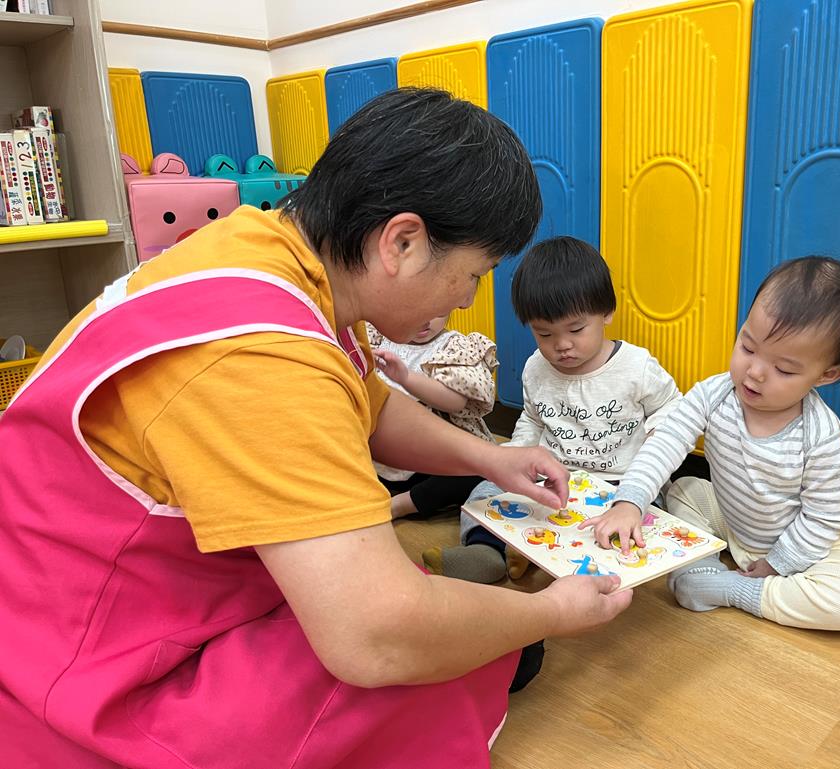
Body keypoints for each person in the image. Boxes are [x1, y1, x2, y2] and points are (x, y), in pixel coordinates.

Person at [0, 89, 633, 769]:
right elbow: (376, 637)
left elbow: (369, 403)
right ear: (402, 242)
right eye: (473, 274)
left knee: (466, 632)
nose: (466, 298)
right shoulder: (261, 355)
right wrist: (554, 610)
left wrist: (488, 457)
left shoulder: (273, 249)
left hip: (129, 589)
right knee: (452, 658)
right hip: (82, 658)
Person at [582, 256, 840, 632]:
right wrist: (629, 502)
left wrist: (778, 564)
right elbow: (666, 441)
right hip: (736, 521)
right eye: (748, 346)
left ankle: (731, 588)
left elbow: (822, 519)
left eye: (783, 369)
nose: (754, 372)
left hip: (810, 544)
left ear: (828, 374)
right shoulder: (715, 393)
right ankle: (702, 570)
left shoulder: (822, 437)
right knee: (684, 490)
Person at [424, 236, 682, 584]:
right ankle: (486, 552)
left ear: (607, 312)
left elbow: (673, 410)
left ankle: (547, 557)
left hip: (621, 484)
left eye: (576, 329)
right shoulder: (536, 368)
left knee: (649, 519)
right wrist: (516, 456)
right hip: (555, 479)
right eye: (544, 334)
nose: (562, 345)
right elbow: (532, 418)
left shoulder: (637, 367)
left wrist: (655, 441)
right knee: (485, 492)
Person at [368, 313, 498, 519]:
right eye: (413, 309)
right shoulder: (379, 338)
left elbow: (456, 401)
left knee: (478, 470)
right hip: (384, 457)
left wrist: (406, 378)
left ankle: (401, 504)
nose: (424, 319)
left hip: (432, 459)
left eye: (436, 311)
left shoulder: (454, 347)